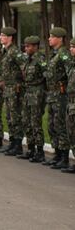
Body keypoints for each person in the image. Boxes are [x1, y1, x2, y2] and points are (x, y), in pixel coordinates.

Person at [42, 27, 72, 170]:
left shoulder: (64, 54)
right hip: (52, 95)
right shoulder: (54, 54)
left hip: (60, 95)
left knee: (60, 126)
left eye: (52, 37)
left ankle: (64, 157)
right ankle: (57, 154)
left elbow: (70, 72)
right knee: (52, 125)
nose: (49, 39)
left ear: (59, 39)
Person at [16, 36, 46, 162]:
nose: (26, 48)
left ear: (35, 47)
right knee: (26, 122)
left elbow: (47, 77)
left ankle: (40, 152)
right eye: (25, 46)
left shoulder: (40, 60)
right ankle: (30, 149)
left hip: (37, 94)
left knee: (35, 123)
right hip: (27, 93)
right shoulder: (27, 60)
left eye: (28, 46)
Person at [0, 27, 26, 156]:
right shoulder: (5, 51)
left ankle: (18, 145)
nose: (0, 37)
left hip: (15, 88)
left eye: (3, 35)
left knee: (15, 117)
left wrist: (21, 84)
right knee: (9, 116)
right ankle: (12, 143)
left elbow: (24, 68)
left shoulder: (15, 52)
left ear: (10, 38)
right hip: (7, 89)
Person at [62, 38, 75, 173]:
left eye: (73, 47)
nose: (70, 49)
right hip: (71, 102)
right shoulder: (72, 65)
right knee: (71, 133)